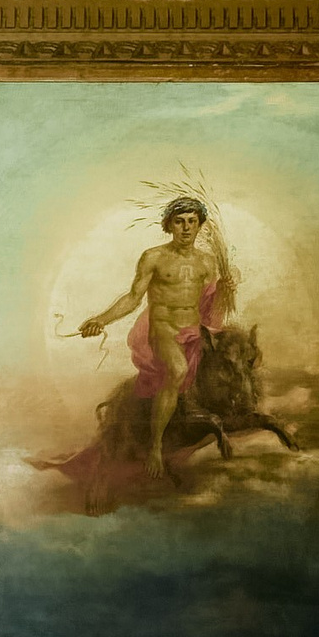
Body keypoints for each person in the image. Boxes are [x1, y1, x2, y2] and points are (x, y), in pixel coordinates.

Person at [75, 195, 237, 476]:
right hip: (163, 330)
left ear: (199, 226)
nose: (186, 228)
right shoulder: (153, 257)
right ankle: (155, 447)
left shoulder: (208, 262)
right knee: (176, 369)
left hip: (194, 331)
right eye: (179, 222)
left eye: (192, 222)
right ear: (169, 225)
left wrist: (227, 290)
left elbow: (210, 305)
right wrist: (101, 320)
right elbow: (133, 297)